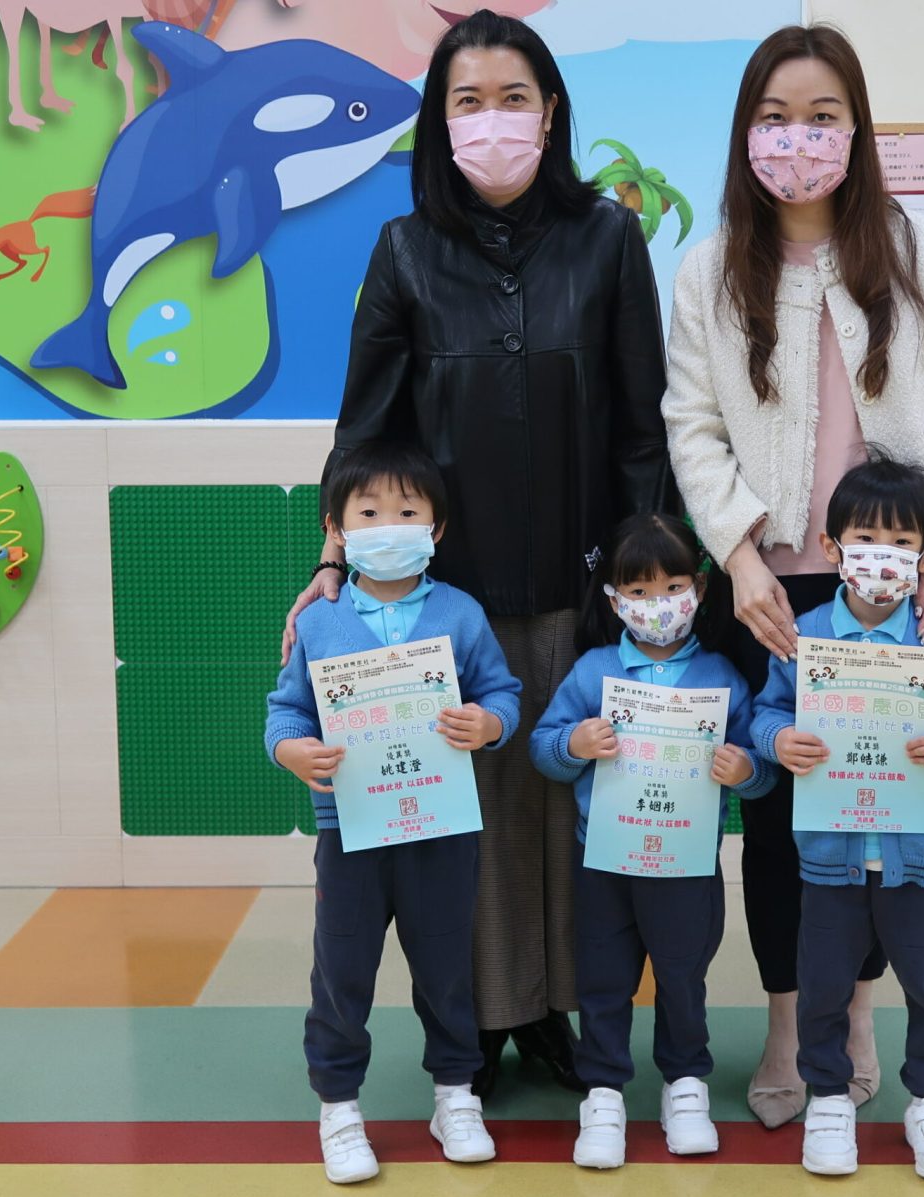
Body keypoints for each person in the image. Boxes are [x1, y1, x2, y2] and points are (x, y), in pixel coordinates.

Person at [280, 10, 672, 1097]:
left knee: (569, 804)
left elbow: (643, 428)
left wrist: (640, 579)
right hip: (439, 595)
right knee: (469, 822)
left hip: (583, 584)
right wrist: (332, 563)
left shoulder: (608, 238)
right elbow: (364, 433)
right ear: (438, 120)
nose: (492, 121)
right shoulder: (405, 249)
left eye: (512, 98)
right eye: (468, 101)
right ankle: (481, 1024)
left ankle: (563, 1012)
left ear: (550, 112)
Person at [660, 22, 924, 1129]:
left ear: (857, 129)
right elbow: (692, 424)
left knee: (883, 806)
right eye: (775, 118)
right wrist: (738, 556)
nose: (797, 139)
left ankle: (856, 1017)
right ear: (745, 131)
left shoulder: (913, 249)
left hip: (894, 581)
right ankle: (787, 1021)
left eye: (821, 117)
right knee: (779, 820)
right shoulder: (710, 267)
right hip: (774, 591)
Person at [265, 443, 524, 1184]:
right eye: (369, 512)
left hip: (440, 826)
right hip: (349, 832)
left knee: (446, 968)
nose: (388, 526)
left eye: (407, 512)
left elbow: (501, 692)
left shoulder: (459, 613)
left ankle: (455, 1096)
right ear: (336, 530)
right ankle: (339, 1108)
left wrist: (489, 724)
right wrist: (292, 751)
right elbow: (285, 712)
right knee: (342, 971)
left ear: (436, 530)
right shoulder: (319, 620)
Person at [751, 451, 924, 1178]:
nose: (882, 556)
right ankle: (828, 1098)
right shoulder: (804, 638)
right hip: (830, 863)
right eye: (866, 539)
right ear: (831, 548)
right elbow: (766, 714)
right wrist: (779, 740)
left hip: (922, 862)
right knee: (823, 988)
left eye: (901, 543)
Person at [529, 514, 776, 1169]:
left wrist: (746, 770)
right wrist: (574, 744)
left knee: (683, 977)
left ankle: (685, 1084)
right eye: (638, 592)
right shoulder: (594, 672)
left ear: (699, 589)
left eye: (672, 587)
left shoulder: (721, 675)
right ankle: (603, 1092)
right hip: (605, 862)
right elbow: (544, 748)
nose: (657, 605)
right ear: (614, 601)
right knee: (602, 980)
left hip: (686, 863)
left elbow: (762, 767)